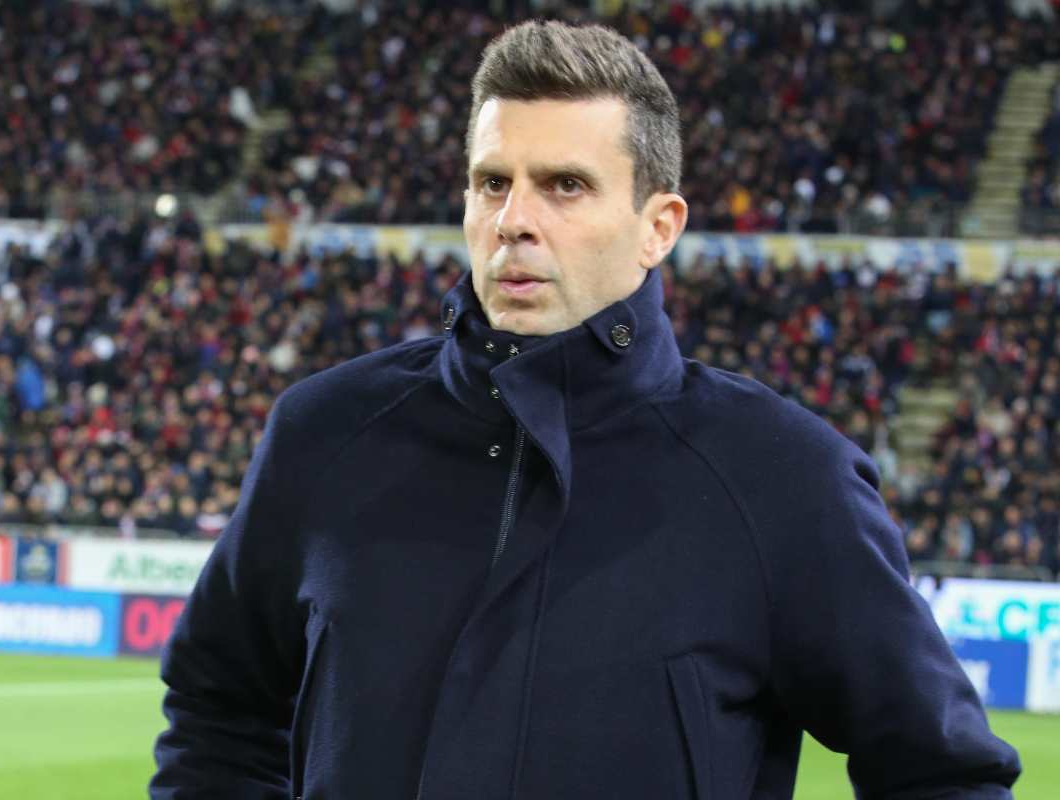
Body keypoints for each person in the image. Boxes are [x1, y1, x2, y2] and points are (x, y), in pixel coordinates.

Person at [151, 21, 1019, 799]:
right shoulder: (324, 433)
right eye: (492, 182)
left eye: (564, 185)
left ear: (658, 226)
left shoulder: (783, 479)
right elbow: (217, 714)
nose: (514, 220)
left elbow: (942, 773)